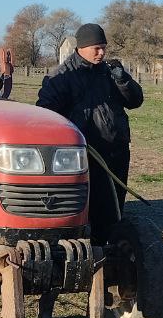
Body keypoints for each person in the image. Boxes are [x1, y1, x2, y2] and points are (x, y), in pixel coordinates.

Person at [36, 23, 143, 244]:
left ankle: (113, 247)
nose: (102, 53)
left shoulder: (110, 71)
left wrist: (124, 80)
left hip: (117, 149)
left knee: (114, 202)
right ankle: (89, 248)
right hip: (86, 153)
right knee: (91, 203)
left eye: (104, 47)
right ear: (81, 48)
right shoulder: (63, 76)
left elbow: (135, 101)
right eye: (96, 48)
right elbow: (45, 114)